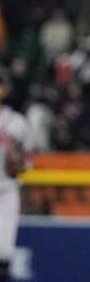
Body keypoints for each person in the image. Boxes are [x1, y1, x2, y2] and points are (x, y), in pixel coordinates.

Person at [0, 67, 28, 282]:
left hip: (7, 191)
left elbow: (25, 161)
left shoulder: (17, 122)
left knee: (4, 253)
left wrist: (20, 163)